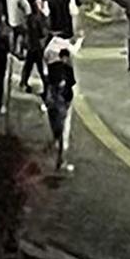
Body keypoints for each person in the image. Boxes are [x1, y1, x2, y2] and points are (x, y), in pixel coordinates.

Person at [43, 41, 76, 171]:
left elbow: (47, 83)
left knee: (56, 128)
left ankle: (56, 146)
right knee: (64, 133)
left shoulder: (51, 68)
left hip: (52, 102)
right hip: (63, 102)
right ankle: (61, 161)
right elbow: (71, 83)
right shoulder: (67, 69)